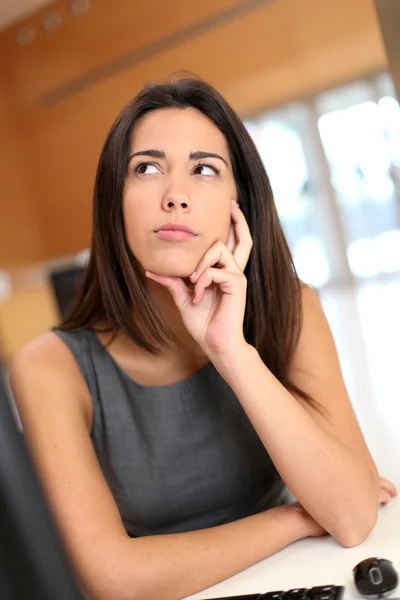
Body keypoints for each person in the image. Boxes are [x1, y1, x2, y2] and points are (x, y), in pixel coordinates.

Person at [10, 76, 397, 600]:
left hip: (299, 580)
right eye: (146, 168)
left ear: (239, 204)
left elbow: (351, 518)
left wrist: (231, 350)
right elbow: (113, 580)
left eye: (204, 169)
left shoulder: (291, 308)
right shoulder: (50, 368)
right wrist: (297, 518)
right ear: (113, 204)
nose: (175, 196)